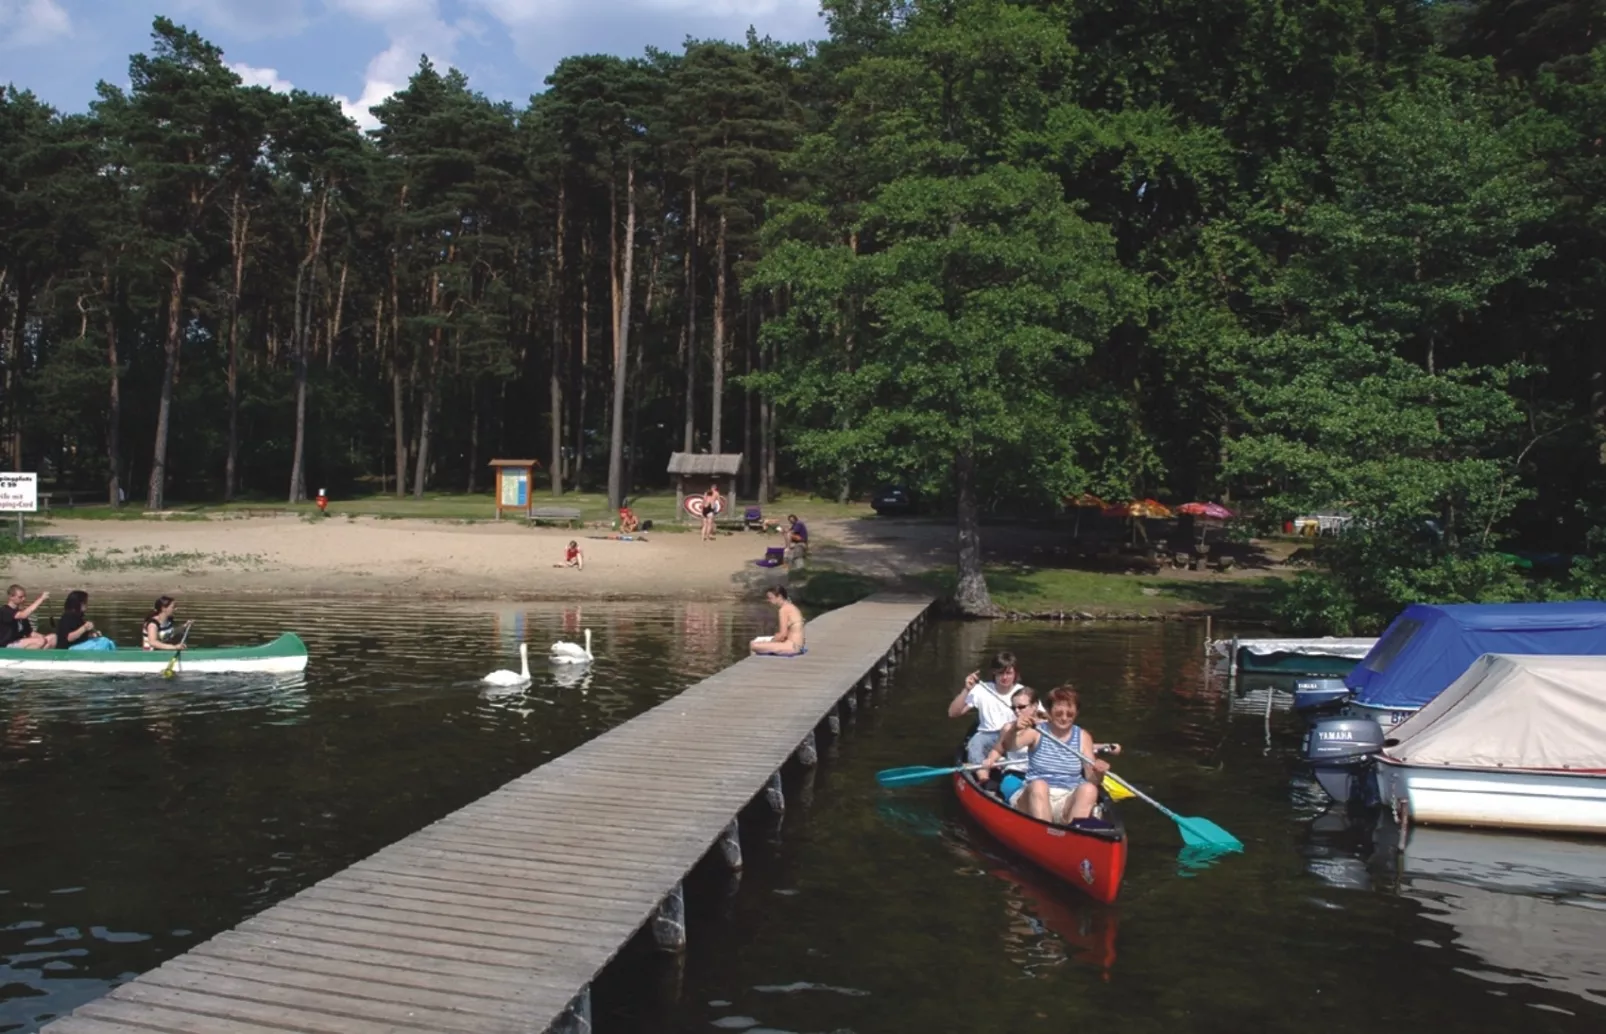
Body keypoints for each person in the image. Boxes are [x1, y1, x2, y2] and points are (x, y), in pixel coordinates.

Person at [999, 684, 1116, 824]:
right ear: (1048, 711)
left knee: (1089, 789)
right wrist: (1014, 730)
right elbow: (1009, 746)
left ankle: (1075, 832)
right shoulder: (1037, 731)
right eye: (1059, 713)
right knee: (1039, 786)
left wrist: (1099, 772)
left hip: (1066, 798)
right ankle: (1043, 834)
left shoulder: (1083, 737)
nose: (1064, 718)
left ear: (1076, 713)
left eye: (1070, 714)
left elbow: (1092, 780)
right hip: (1034, 798)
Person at [947, 650, 1028, 765]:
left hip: (1012, 735)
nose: (1004, 677)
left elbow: (1042, 719)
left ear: (1015, 674)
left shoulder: (1024, 693)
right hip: (986, 736)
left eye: (1009, 673)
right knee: (975, 743)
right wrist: (967, 690)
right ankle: (982, 771)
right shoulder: (982, 689)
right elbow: (953, 713)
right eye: (1000, 673)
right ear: (994, 673)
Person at [750, 585, 806, 655]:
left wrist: (770, 642)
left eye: (771, 598)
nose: (769, 601)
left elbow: (783, 635)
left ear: (779, 597)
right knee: (763, 642)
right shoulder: (792, 607)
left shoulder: (783, 610)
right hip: (797, 645)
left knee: (753, 644)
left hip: (792, 646)